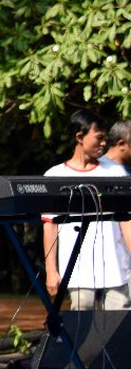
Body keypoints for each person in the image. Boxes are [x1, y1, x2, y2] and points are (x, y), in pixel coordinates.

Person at [42, 110, 131, 311]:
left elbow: (126, 221)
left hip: (116, 268)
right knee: (82, 322)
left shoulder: (115, 173)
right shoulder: (55, 176)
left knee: (120, 324)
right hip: (78, 271)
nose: (103, 144)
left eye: (105, 139)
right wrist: (51, 270)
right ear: (80, 137)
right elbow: (50, 226)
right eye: (99, 138)